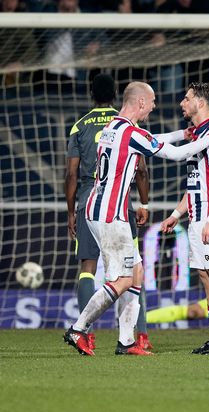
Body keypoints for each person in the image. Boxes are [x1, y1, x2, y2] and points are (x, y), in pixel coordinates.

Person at [63, 81, 209, 356]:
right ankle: (78, 329)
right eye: (152, 102)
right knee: (121, 280)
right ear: (141, 103)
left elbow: (152, 139)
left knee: (138, 273)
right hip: (111, 214)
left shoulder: (113, 128)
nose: (155, 106)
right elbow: (176, 154)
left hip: (97, 207)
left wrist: (183, 132)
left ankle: (127, 341)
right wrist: (207, 139)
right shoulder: (130, 132)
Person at [64, 73, 153, 352]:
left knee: (89, 269)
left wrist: (71, 211)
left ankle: (90, 334)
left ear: (91, 94)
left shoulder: (79, 126)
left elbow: (71, 173)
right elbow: (140, 168)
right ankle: (139, 334)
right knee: (132, 270)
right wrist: (144, 202)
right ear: (116, 95)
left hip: (89, 201)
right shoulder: (124, 123)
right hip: (120, 203)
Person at [158, 82, 209, 355]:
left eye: (187, 98)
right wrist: (175, 214)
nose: (182, 102)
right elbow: (195, 183)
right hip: (196, 216)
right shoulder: (198, 138)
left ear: (200, 103)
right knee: (205, 276)